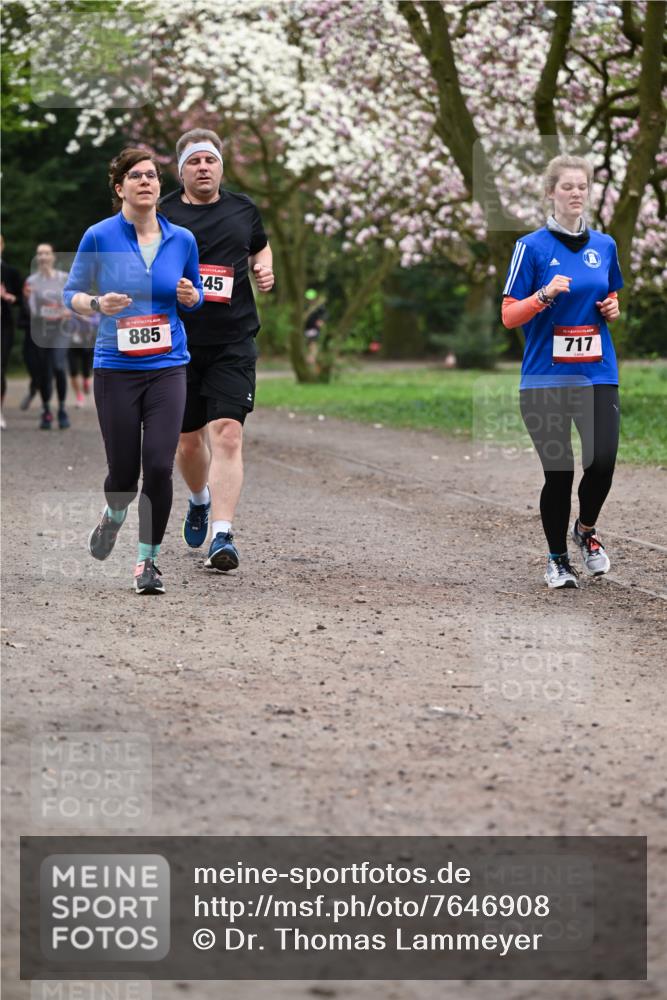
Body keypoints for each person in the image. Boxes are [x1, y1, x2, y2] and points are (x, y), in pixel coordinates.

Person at [63, 147, 203, 594]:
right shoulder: (99, 235)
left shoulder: (182, 239)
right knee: (123, 475)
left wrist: (191, 297)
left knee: (159, 466)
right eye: (136, 176)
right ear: (120, 187)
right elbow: (71, 293)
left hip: (168, 366)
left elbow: (195, 292)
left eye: (153, 175)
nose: (146, 181)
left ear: (160, 186)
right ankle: (115, 513)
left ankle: (148, 562)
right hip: (116, 368)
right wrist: (97, 303)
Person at [501, 154, 623, 590]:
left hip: (597, 373)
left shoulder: (604, 246)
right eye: (567, 186)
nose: (576, 193)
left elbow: (609, 296)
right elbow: (509, 316)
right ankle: (557, 560)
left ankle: (585, 531)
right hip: (545, 378)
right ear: (550, 192)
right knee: (559, 473)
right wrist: (543, 295)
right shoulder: (530, 247)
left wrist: (611, 308)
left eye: (582, 187)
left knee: (602, 461)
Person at [160, 128, 274, 572]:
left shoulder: (243, 209)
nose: (203, 168)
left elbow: (260, 249)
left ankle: (222, 536)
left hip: (233, 339)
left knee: (227, 431)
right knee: (188, 444)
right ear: (181, 170)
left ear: (221, 167)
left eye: (210, 160)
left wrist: (264, 270)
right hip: (179, 343)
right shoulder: (163, 213)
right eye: (194, 161)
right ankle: (199, 500)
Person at [24, 243, 71, 429]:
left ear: (53, 257)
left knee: (59, 366)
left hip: (61, 329)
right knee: (44, 370)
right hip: (41, 329)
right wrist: (45, 311)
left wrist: (67, 311)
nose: (43, 257)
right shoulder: (31, 281)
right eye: (39, 254)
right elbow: (32, 309)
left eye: (46, 253)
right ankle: (46, 410)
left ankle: (62, 409)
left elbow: (72, 300)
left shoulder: (64, 278)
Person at [0, 234, 26, 429]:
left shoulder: (10, 272)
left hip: (4, 326)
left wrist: (8, 297)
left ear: (2, 246)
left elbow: (21, 299)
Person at [68, 310, 98, 406]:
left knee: (87, 371)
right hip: (73, 345)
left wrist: (85, 318)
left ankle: (86, 382)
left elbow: (98, 320)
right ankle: (79, 396)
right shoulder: (71, 308)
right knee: (73, 371)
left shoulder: (93, 307)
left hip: (88, 344)